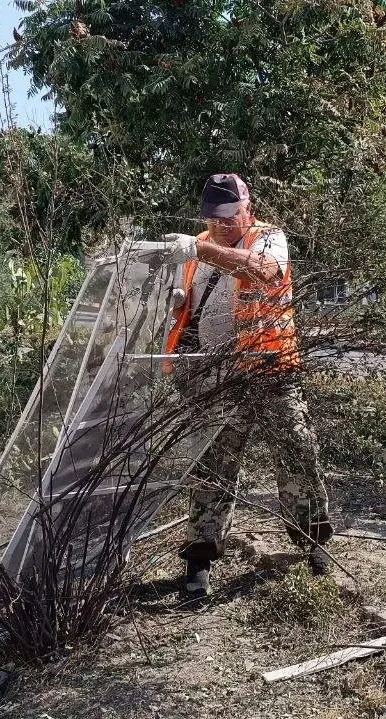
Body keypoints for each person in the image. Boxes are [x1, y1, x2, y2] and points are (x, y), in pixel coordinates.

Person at [156, 173, 334, 600]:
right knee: (213, 464)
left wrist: (201, 248)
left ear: (246, 208)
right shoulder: (195, 248)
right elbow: (185, 307)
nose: (220, 225)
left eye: (228, 217)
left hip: (270, 371)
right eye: (212, 219)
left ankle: (313, 540)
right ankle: (200, 555)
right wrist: (176, 299)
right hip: (217, 378)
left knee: (295, 450)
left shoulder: (269, 238)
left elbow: (264, 273)